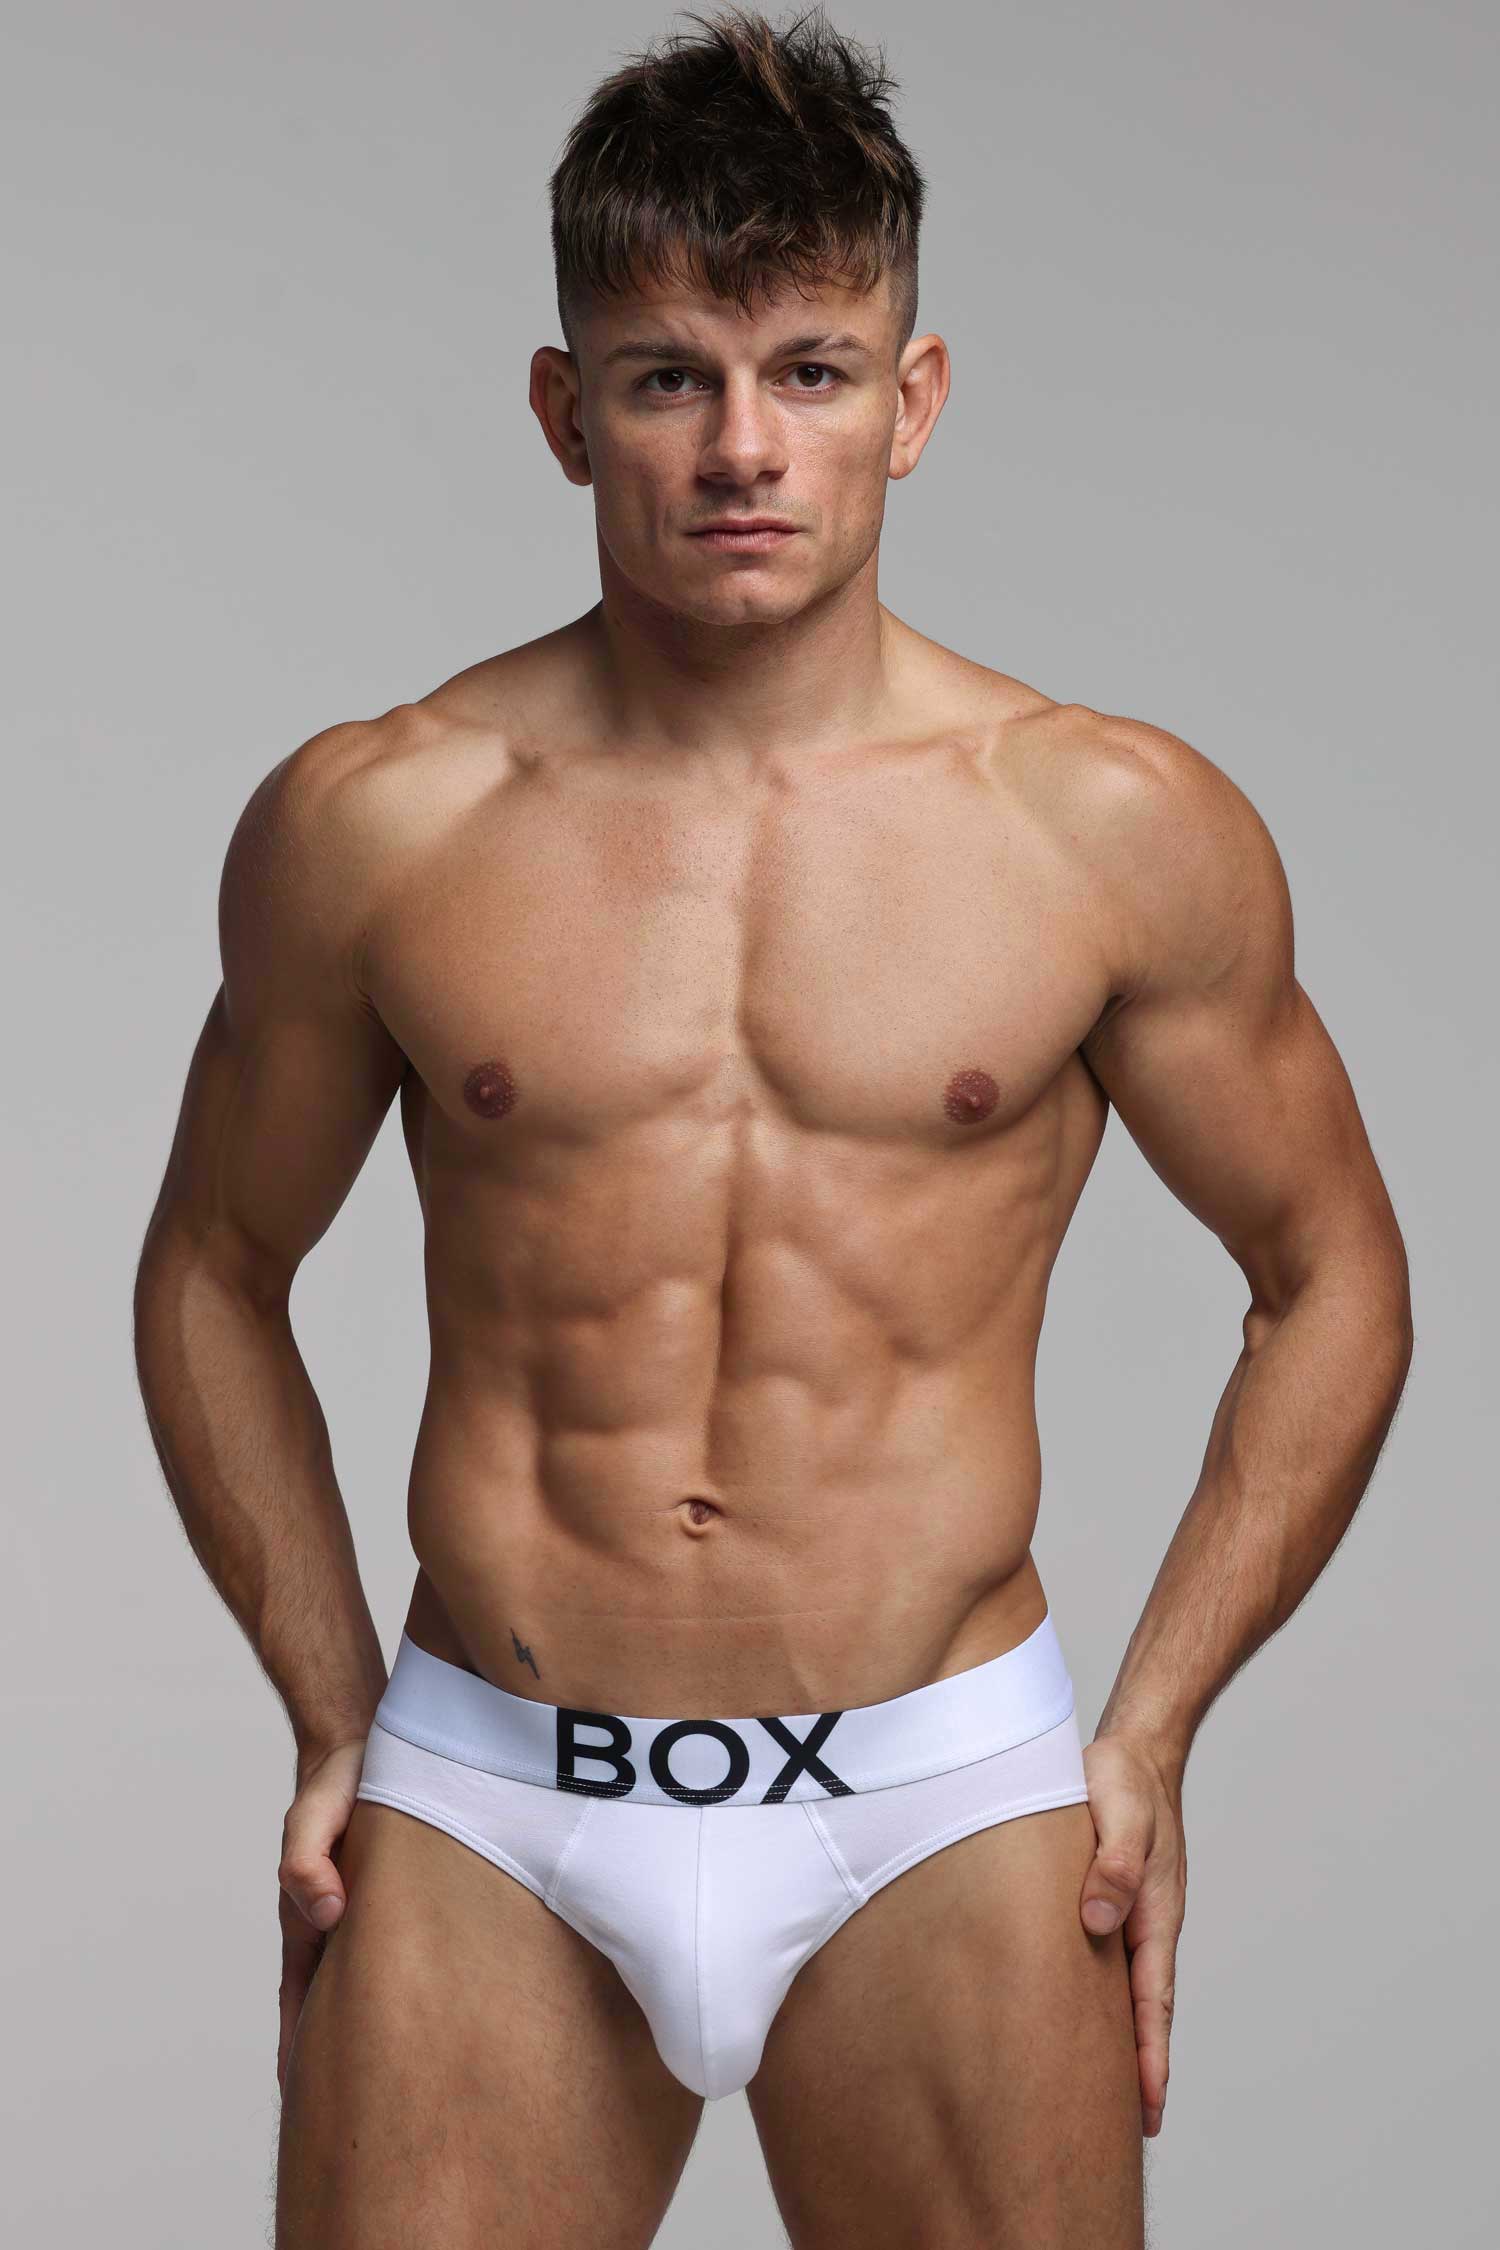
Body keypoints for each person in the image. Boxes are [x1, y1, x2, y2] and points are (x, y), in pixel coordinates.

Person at [132, 7, 1412, 2245]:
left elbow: (1334, 1275)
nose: (744, 447)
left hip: (939, 1800)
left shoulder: (1107, 828)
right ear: (565, 411)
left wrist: (1152, 1725)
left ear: (913, 401)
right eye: (669, 379)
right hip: (494, 1794)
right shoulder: (379, 825)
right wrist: (334, 1709)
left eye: (810, 371)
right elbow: (214, 1271)